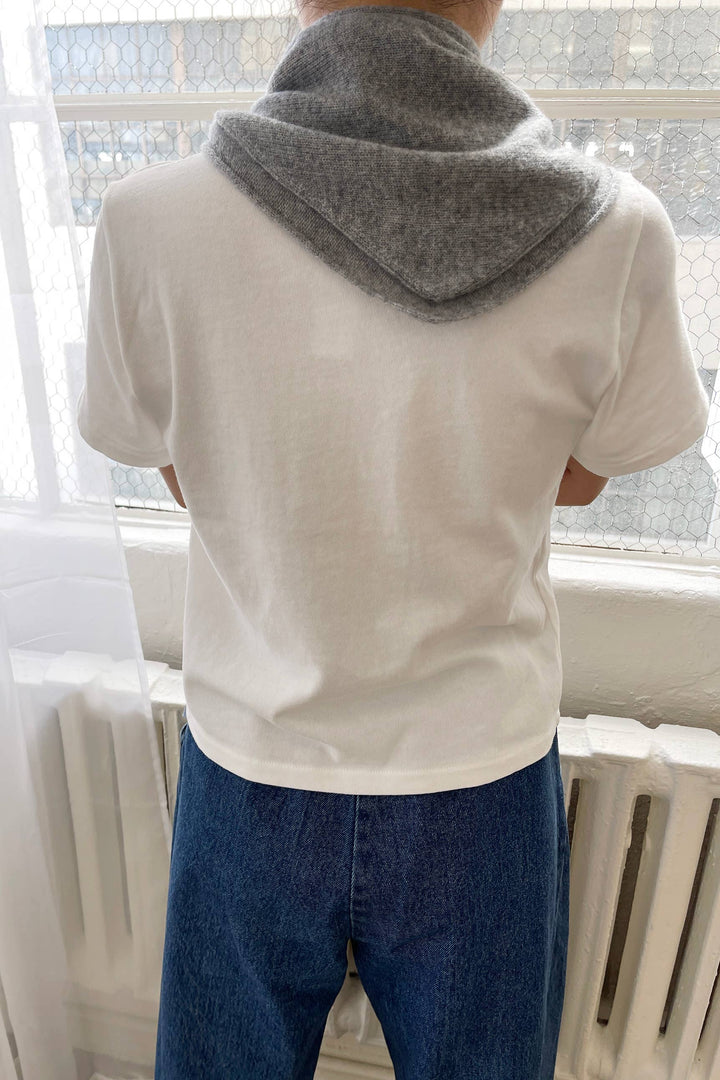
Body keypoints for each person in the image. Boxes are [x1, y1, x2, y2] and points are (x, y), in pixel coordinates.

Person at [75, 2, 710, 1077]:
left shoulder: (149, 219)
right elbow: (580, 478)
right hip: (480, 774)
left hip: (253, 760)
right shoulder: (618, 229)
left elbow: (187, 473)